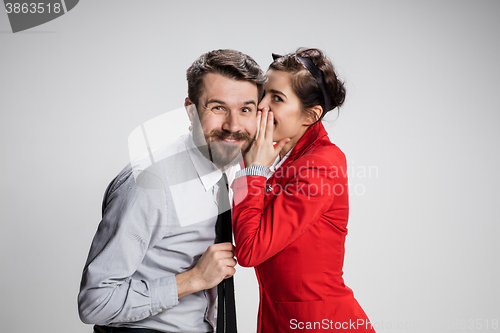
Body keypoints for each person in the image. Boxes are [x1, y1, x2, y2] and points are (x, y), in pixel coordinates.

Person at [78, 49, 266, 333]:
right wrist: (193, 280)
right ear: (191, 110)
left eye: (245, 109)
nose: (233, 125)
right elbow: (95, 302)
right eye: (218, 107)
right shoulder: (151, 184)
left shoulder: (230, 172)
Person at [232, 48, 376, 332]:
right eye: (264, 94)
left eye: (277, 98)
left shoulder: (321, 165)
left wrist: (253, 172)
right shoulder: (287, 155)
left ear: (310, 115)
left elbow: (249, 250)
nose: (262, 107)